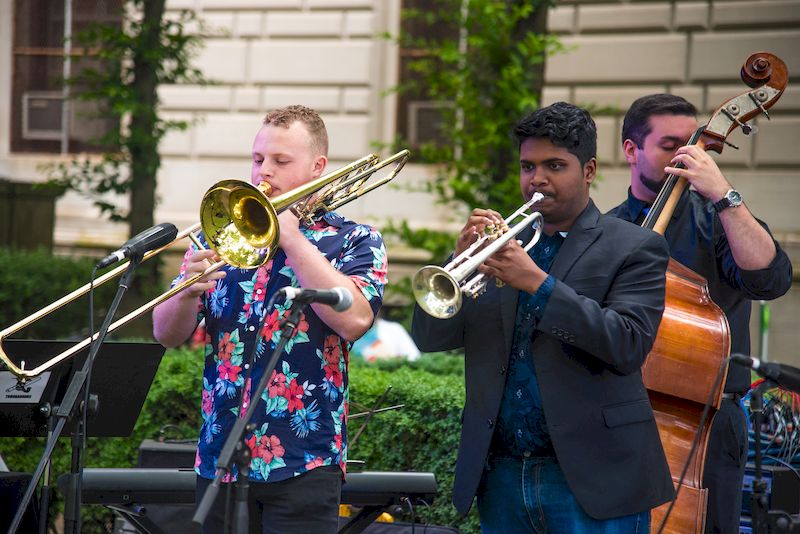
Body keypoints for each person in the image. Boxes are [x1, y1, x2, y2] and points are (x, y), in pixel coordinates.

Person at [412, 102, 674, 532]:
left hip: (592, 477)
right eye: (527, 166)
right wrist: (457, 263)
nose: (537, 179)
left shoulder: (634, 247)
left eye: (555, 165)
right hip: (501, 475)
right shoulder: (494, 249)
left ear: (588, 170)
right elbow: (429, 338)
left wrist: (538, 284)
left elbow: (627, 344)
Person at [152, 105, 387, 533]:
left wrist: (292, 238)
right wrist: (185, 290)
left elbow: (355, 321)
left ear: (318, 168)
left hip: (304, 460)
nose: (265, 172)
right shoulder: (222, 236)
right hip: (220, 454)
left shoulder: (354, 239)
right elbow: (166, 334)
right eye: (259, 159)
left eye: (281, 161)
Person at [607, 93, 793, 534]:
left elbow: (771, 279)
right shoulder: (607, 230)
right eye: (670, 145)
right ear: (631, 150)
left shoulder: (718, 219)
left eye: (693, 143)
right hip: (619, 417)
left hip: (708, 425)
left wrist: (724, 196)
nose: (686, 155)